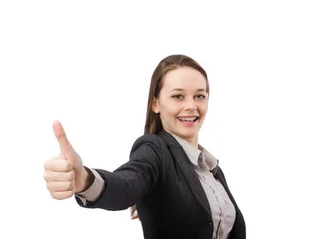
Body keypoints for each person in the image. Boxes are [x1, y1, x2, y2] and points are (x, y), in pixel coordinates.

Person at [43, 54, 245, 239]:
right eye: (178, 96)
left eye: (199, 96)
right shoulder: (154, 149)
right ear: (155, 104)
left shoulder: (211, 170)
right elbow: (127, 183)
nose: (191, 105)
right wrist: (85, 181)